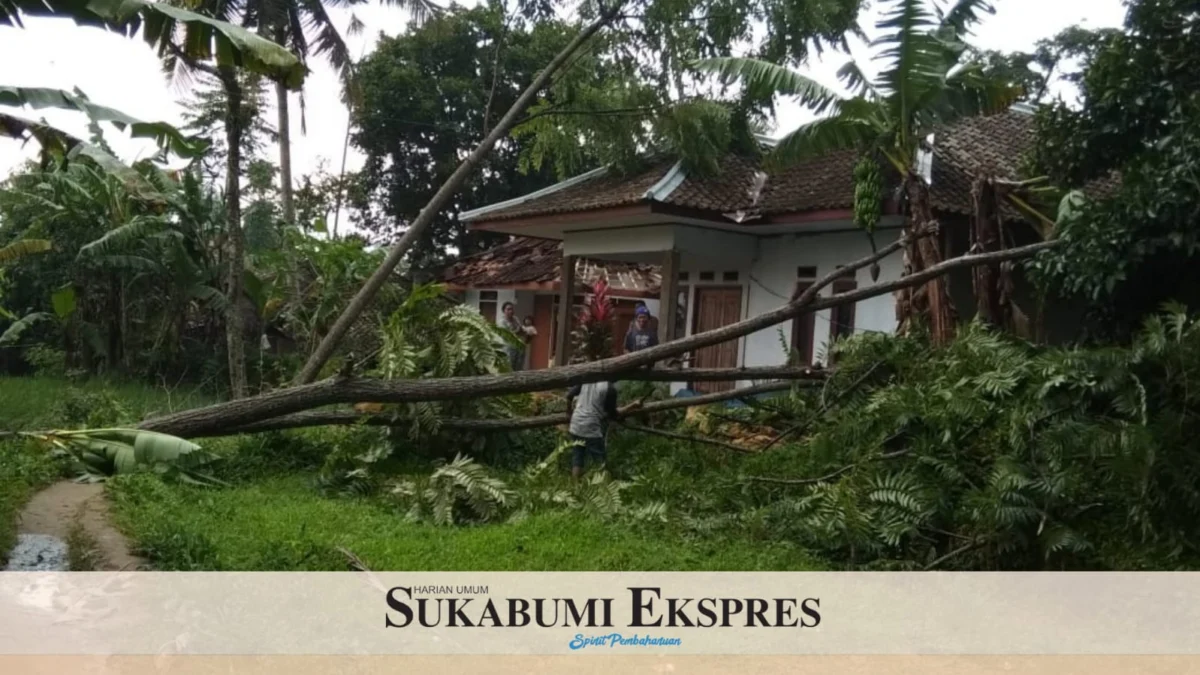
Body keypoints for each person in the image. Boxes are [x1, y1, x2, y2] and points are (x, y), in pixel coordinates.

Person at [565, 378, 618, 479]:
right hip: (591, 426)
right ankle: (604, 487)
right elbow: (613, 414)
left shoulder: (586, 380)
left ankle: (573, 486)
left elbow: (568, 396)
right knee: (599, 460)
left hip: (576, 423)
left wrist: (569, 413)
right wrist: (632, 406)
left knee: (577, 456)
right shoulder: (610, 389)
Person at [497, 302, 527, 371]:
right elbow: (506, 335)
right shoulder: (502, 322)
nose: (511, 311)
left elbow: (521, 329)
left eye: (512, 309)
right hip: (509, 349)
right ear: (504, 311)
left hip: (519, 347)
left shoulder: (515, 319)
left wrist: (523, 331)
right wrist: (517, 331)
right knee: (510, 368)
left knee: (519, 368)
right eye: (508, 309)